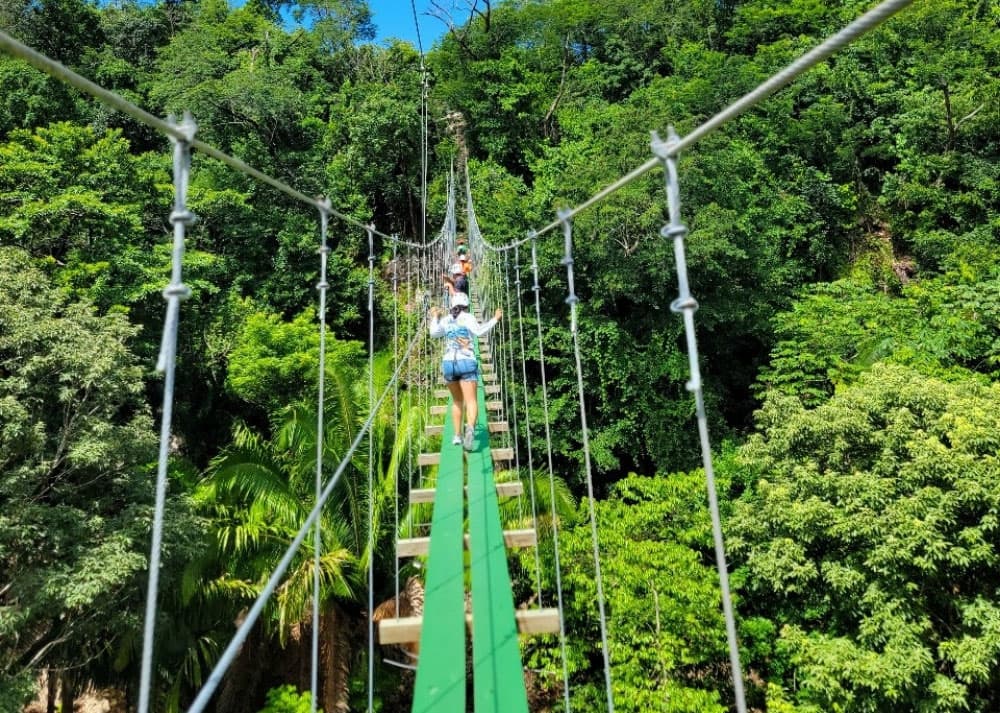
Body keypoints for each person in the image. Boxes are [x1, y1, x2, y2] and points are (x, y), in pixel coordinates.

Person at [428, 292, 501, 451]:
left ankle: (456, 436)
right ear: (466, 305)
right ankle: (470, 429)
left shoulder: (446, 319)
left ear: (452, 305)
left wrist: (434, 316)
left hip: (448, 363)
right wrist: (495, 319)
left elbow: (434, 333)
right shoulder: (468, 317)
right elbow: (480, 332)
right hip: (466, 361)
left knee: (457, 401)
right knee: (471, 401)